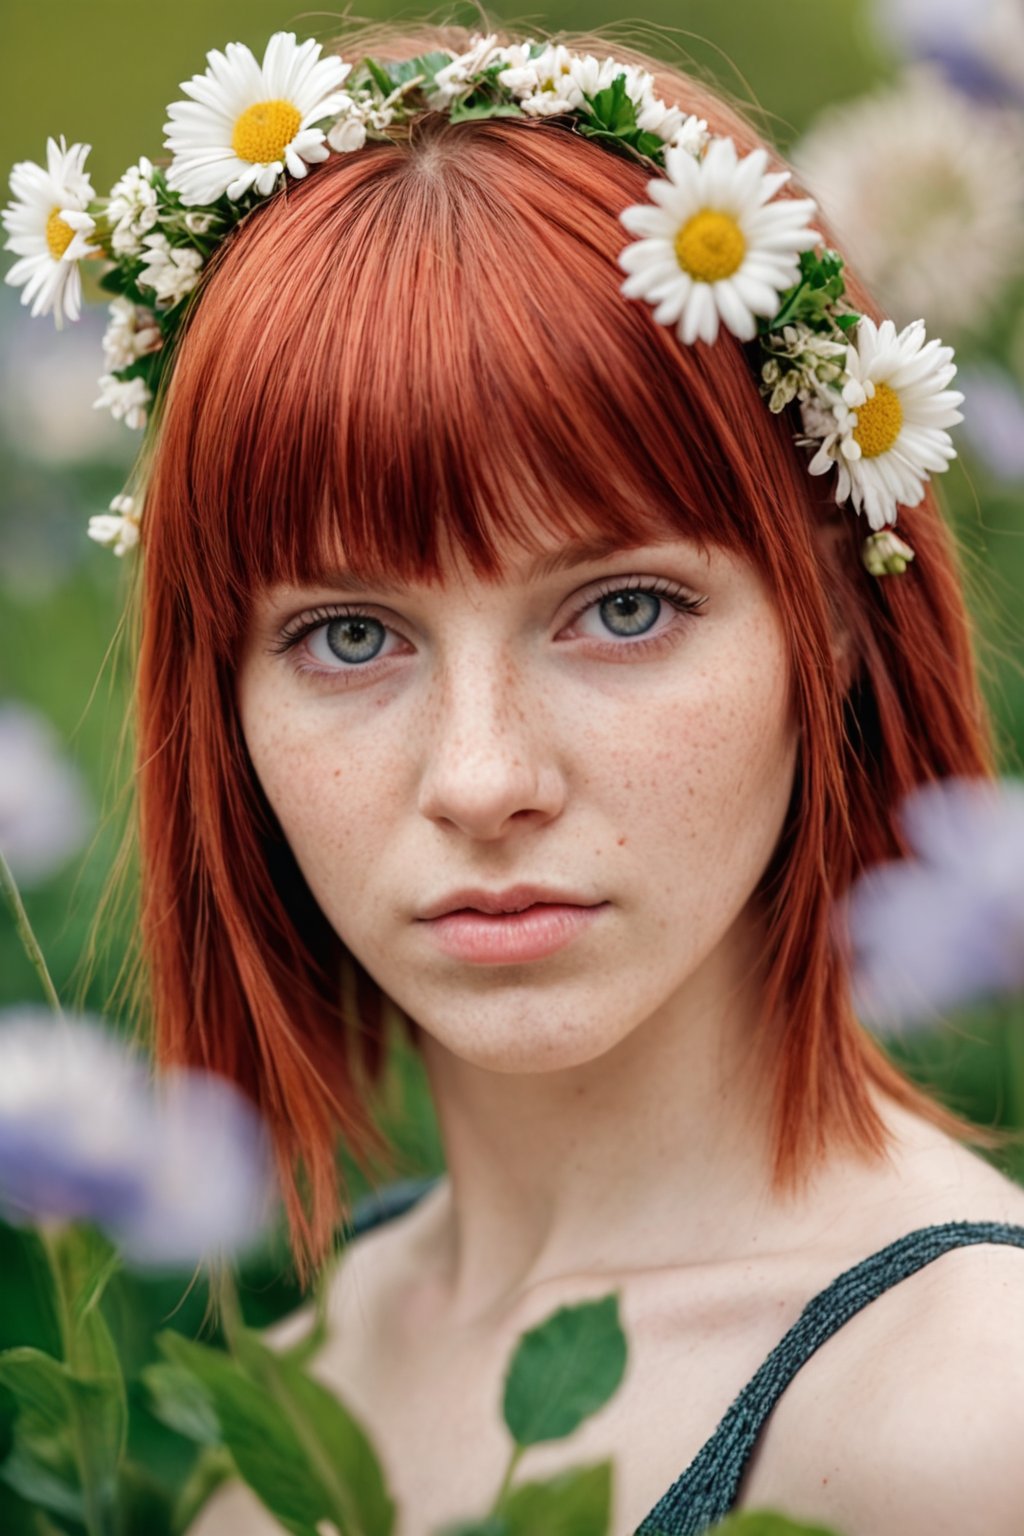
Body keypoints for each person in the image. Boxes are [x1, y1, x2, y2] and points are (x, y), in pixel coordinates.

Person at [9, 14, 1024, 1535]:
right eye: (349, 634)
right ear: (217, 696)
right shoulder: (289, 1399)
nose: (483, 778)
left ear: (833, 624)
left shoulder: (961, 1417)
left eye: (623, 609)